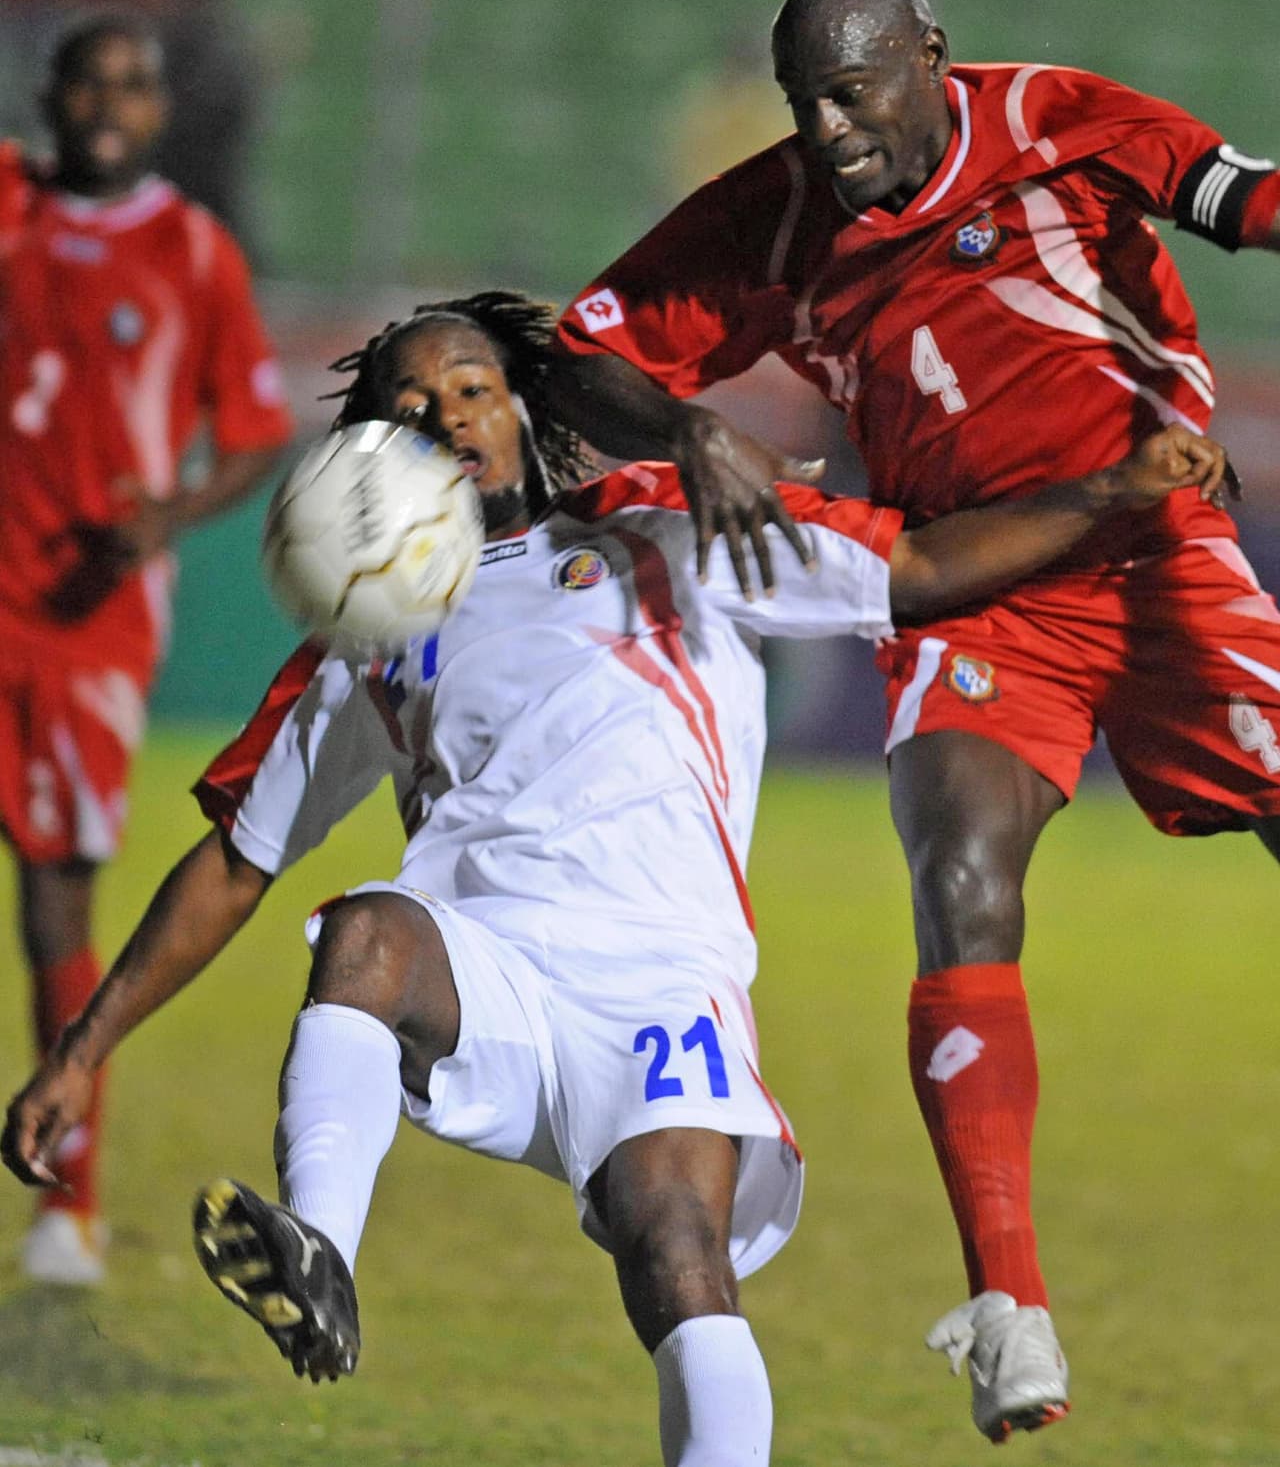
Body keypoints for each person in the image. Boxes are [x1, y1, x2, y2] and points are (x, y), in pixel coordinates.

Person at [0, 291, 1228, 1462]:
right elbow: (237, 857)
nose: (448, 418)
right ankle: (318, 1250)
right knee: (364, 933)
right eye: (410, 408)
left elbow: (912, 569)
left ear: (523, 404)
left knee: (680, 1252)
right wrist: (80, 1053)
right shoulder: (367, 628)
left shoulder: (667, 523)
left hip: (662, 978)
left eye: (470, 386)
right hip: (486, 973)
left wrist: (1110, 491)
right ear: (376, 448)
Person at [543, 0, 1280, 1442]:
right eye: (805, 99)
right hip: (975, 579)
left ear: (932, 54)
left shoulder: (1061, 118)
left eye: (854, 89)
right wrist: (690, 421)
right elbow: (578, 353)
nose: (828, 128)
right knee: (958, 872)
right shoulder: (771, 218)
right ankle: (1008, 1304)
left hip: (1150, 535)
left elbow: (1244, 198)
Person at [0, 9, 292, 1284]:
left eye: (133, 82)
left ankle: (70, 1202)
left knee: (56, 890)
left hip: (86, 621)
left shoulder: (193, 252)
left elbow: (256, 427)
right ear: (53, 95)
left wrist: (168, 512)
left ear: (159, 109)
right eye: (88, 81)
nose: (108, 102)